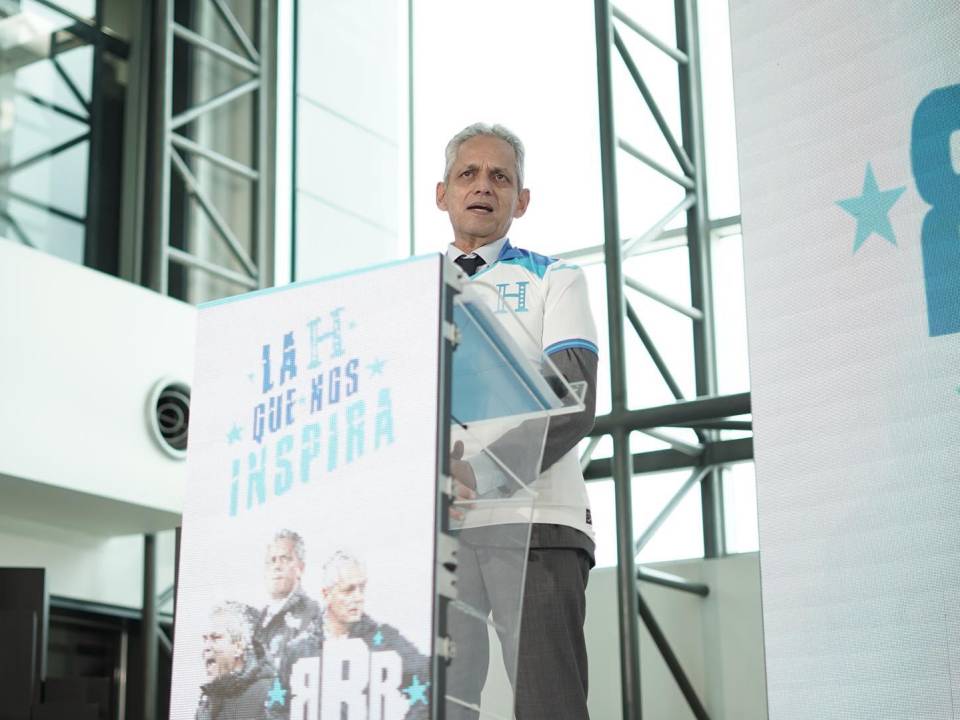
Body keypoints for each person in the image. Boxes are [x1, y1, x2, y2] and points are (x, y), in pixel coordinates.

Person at [437, 122, 598, 720]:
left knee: (548, 707)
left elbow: (572, 402)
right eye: (468, 174)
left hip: (537, 526)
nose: (483, 186)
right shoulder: (410, 289)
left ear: (521, 200)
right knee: (438, 708)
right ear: (442, 193)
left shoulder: (556, 278)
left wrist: (479, 473)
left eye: (500, 176)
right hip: (440, 534)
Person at [321, 551, 430, 719]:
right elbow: (276, 707)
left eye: (361, 588)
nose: (358, 597)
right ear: (326, 594)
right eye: (348, 590)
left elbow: (428, 677)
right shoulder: (301, 646)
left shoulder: (384, 640)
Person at [196, 601, 283, 720]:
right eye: (205, 639)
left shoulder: (270, 693)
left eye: (215, 638)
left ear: (238, 647)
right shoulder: (207, 702)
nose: (206, 647)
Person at [255, 530, 322, 673]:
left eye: (284, 559)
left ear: (301, 568)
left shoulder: (312, 613)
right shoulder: (257, 620)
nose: (277, 566)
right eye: (272, 560)